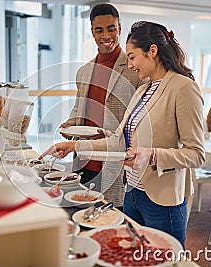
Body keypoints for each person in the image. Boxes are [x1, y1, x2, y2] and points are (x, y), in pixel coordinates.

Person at [40, 21, 205, 248]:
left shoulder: (183, 87)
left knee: (165, 259)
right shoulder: (142, 90)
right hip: (132, 194)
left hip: (162, 199)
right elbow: (118, 142)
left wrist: (153, 155)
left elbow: (196, 154)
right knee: (133, 255)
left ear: (153, 51)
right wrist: (75, 146)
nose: (129, 65)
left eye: (132, 57)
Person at [59, 4, 143, 208]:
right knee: (81, 210)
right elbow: (80, 108)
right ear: (92, 32)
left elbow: (142, 116)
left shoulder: (135, 68)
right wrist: (70, 124)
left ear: (120, 29)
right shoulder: (84, 71)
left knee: (113, 214)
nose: (106, 35)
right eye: (99, 30)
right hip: (84, 158)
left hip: (114, 160)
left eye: (111, 28)